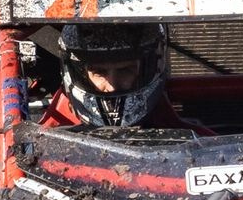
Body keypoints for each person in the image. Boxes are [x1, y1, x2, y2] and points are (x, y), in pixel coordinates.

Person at [39, 19, 174, 128]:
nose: (112, 86)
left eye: (125, 70)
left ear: (152, 67)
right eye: (99, 72)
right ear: (80, 75)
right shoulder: (45, 136)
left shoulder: (190, 134)